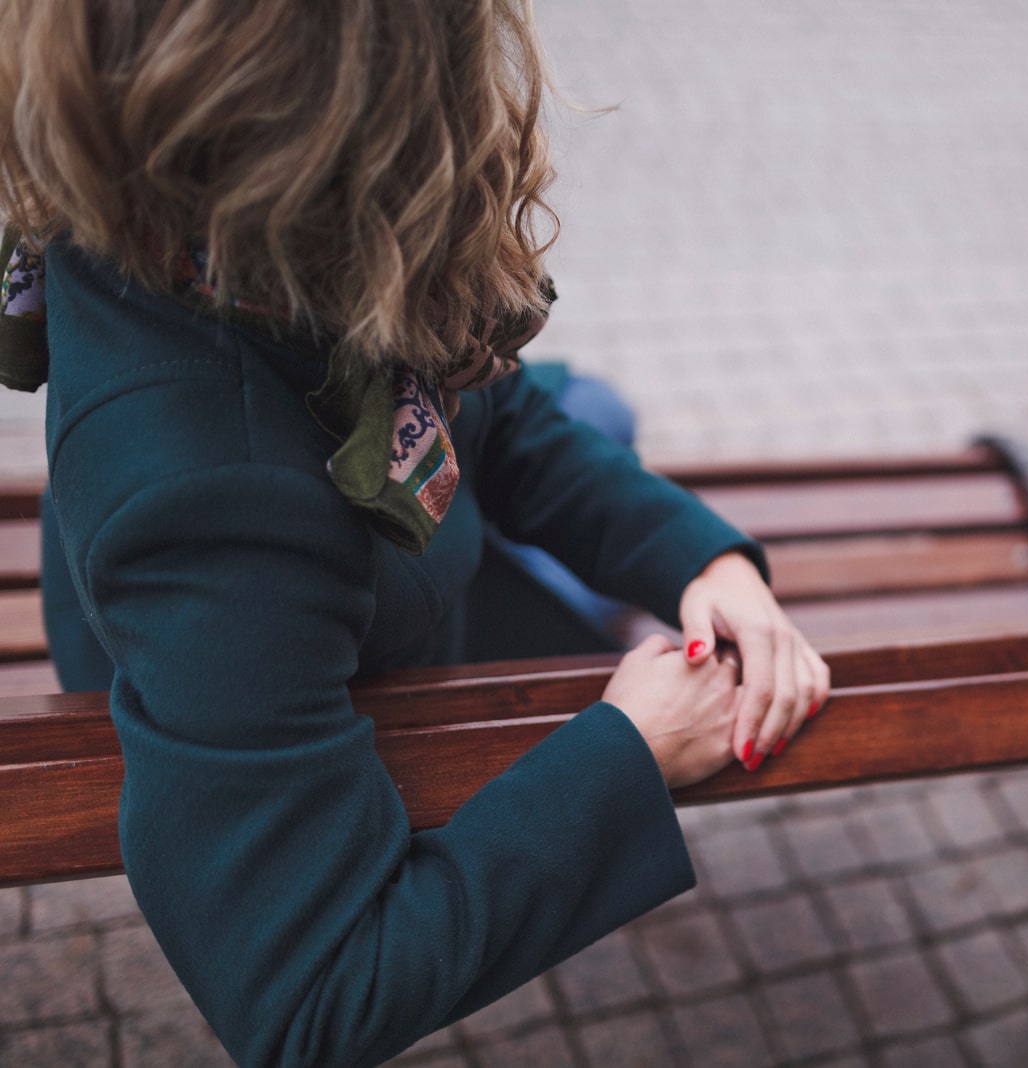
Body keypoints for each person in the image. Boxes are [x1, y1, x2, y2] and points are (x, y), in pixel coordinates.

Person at [0, 3, 829, 1067]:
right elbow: (315, 993)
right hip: (288, 657)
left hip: (367, 576)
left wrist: (701, 558)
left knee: (599, 411)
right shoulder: (214, 521)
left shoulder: (235, 238)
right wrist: (631, 751)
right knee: (583, 528)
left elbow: (493, 411)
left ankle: (576, 593)